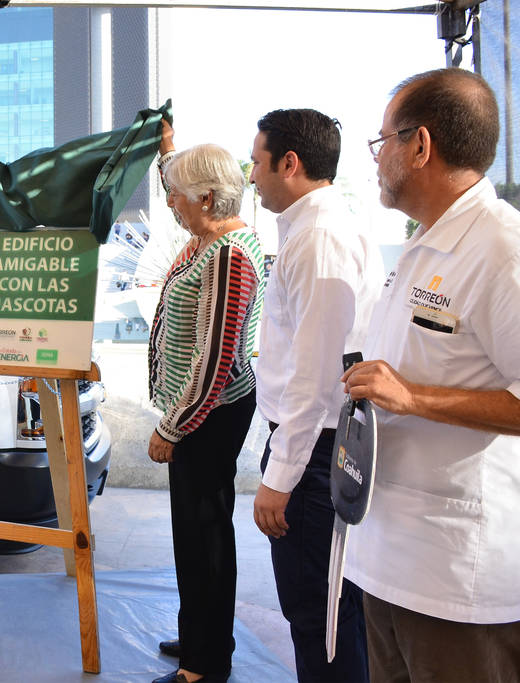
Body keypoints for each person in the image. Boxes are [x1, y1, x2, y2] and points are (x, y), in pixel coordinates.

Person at [342, 68, 520, 681]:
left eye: (382, 140)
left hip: (455, 575)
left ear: (419, 146)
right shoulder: (425, 243)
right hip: (387, 553)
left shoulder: (502, 250)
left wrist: (413, 396)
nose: (377, 158)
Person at [248, 109, 383, 682]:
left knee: (320, 617)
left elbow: (314, 377)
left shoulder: (318, 239)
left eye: (256, 161)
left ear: (289, 163)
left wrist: (280, 478)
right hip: (317, 448)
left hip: (315, 454)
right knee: (327, 614)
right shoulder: (314, 230)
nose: (251, 175)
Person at [148, 121, 266, 683]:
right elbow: (179, 187)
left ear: (208, 199)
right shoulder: (207, 237)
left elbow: (215, 359)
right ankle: (201, 633)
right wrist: (168, 152)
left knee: (204, 536)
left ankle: (205, 662)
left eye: (178, 195)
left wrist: (171, 427)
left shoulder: (228, 255)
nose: (171, 203)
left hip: (208, 414)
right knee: (194, 534)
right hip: (203, 412)